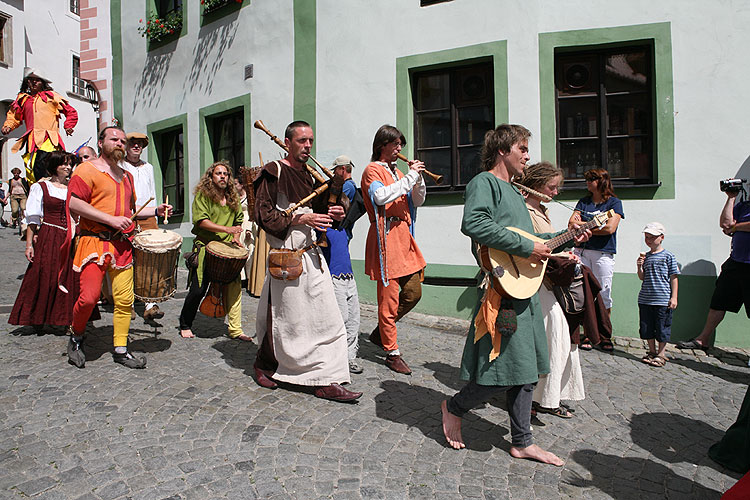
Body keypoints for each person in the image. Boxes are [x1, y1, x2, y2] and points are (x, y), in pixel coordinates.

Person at [440, 124, 590, 465]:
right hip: (502, 290)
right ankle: (454, 406)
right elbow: (475, 224)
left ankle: (522, 441)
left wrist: (567, 236)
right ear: (503, 150)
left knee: (528, 368)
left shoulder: (516, 192)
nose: (527, 155)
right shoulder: (485, 183)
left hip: (525, 289)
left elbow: (531, 241)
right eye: (522, 148)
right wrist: (527, 245)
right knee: (501, 371)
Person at [253, 120, 362, 403]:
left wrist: (336, 212)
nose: (308, 146)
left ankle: (327, 377)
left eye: (310, 140)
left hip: (312, 255)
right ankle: (266, 364)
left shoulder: (311, 177)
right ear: (287, 143)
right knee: (285, 321)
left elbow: (323, 211)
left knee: (328, 318)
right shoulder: (273, 172)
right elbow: (264, 217)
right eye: (302, 141)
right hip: (287, 256)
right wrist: (299, 217)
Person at [64, 126, 171, 369]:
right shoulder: (86, 169)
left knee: (124, 301)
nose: (120, 144)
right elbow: (73, 203)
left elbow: (130, 213)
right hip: (94, 242)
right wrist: (109, 219)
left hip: (122, 245)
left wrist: (156, 210)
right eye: (114, 139)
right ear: (101, 143)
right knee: (89, 297)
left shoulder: (127, 177)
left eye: (122, 140)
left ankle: (121, 348)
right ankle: (76, 335)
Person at [517, 161, 585, 419]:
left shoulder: (541, 210)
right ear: (536, 185)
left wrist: (568, 247)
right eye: (552, 187)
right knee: (554, 336)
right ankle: (539, 398)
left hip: (547, 281)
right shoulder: (524, 211)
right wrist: (562, 250)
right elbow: (531, 247)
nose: (556, 192)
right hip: (534, 282)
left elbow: (549, 245)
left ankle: (549, 396)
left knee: (561, 338)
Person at [360, 125, 426, 375]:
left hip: (404, 238)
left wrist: (417, 180)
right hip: (385, 238)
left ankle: (380, 332)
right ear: (382, 145)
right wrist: (409, 177)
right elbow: (380, 197)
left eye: (401, 145)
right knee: (389, 300)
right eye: (396, 144)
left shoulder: (398, 172)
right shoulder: (372, 170)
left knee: (413, 293)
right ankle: (391, 351)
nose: (400, 149)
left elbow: (416, 200)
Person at [178, 161, 250, 341]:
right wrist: (227, 230)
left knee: (234, 289)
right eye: (218, 173)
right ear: (211, 177)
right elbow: (201, 221)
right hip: (206, 248)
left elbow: (238, 219)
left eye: (226, 173)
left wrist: (235, 236)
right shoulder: (203, 196)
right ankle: (185, 323)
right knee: (198, 290)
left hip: (227, 249)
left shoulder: (232, 197)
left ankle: (235, 329)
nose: (223, 176)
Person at [9, 151, 78, 327]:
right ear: (54, 166)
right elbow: (32, 218)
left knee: (68, 275)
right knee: (46, 273)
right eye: (64, 164)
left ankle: (62, 317)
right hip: (50, 234)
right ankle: (38, 317)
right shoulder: (41, 187)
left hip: (69, 235)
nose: (68, 167)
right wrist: (29, 245)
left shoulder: (73, 187)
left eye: (70, 164)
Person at [677, 187, 750, 350]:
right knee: (719, 302)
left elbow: (732, 226)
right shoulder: (743, 206)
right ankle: (703, 340)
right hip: (736, 262)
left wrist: (736, 227)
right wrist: (731, 198)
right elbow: (725, 224)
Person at [567, 168, 623, 351]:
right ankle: (587, 333)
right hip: (583, 251)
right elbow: (570, 224)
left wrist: (584, 226)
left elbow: (610, 228)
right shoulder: (584, 202)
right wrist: (594, 224)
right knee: (582, 292)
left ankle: (604, 334)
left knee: (604, 293)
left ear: (601, 181)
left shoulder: (614, 203)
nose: (587, 182)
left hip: (602, 253)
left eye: (591, 179)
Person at [321, 155, 363, 374]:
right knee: (341, 318)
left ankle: (350, 357)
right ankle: (336, 358)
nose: (339, 210)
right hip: (334, 279)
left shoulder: (345, 228)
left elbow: (354, 209)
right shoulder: (324, 229)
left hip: (349, 278)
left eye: (343, 209)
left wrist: (344, 212)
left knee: (354, 320)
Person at [2, 68, 78, 183]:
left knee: (44, 164)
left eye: (37, 80)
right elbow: (14, 116)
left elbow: (70, 111)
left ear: (42, 82)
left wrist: (68, 125)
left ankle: (51, 189)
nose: (33, 82)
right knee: (31, 168)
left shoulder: (52, 97)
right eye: (31, 80)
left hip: (49, 138)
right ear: (27, 82)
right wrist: (8, 126)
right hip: (31, 140)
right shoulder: (23, 99)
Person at [121, 132, 164, 322]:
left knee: (149, 261)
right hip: (127, 217)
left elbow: (152, 192)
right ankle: (127, 304)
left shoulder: (149, 167)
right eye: (133, 143)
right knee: (127, 261)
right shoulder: (119, 166)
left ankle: (149, 304)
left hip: (147, 217)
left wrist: (158, 211)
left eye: (139, 144)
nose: (136, 146)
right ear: (126, 146)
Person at [636, 222, 679, 367]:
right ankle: (652, 351)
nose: (648, 240)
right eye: (647, 237)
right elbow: (642, 277)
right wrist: (639, 266)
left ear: (661, 237)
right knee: (647, 327)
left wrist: (674, 297)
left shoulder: (668, 256)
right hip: (646, 298)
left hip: (662, 299)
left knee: (662, 327)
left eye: (652, 237)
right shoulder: (646, 256)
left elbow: (674, 277)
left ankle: (661, 353)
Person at [234, 176, 258, 289]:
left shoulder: (249, 198)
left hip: (248, 223)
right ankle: (241, 277)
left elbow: (251, 213)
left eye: (236, 184)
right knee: (240, 249)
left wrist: (249, 228)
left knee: (249, 249)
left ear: (241, 184)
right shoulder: (235, 198)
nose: (234, 186)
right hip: (238, 224)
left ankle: (249, 277)